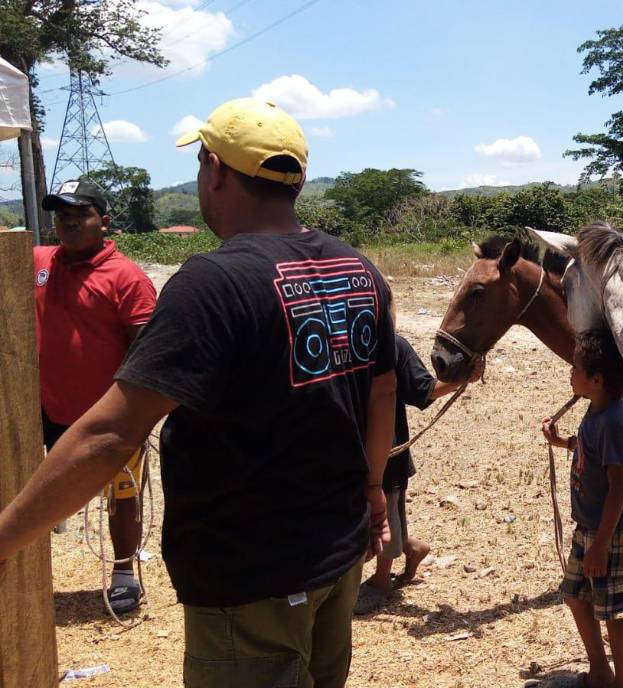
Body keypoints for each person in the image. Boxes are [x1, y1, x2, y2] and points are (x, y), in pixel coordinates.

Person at [0, 98, 397, 688]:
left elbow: (111, 434)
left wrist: (4, 539)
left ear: (213, 168)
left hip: (250, 573)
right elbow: (381, 391)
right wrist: (372, 492)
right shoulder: (358, 268)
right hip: (336, 552)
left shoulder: (213, 283)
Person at [35, 178, 157, 614]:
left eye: (80, 214)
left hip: (108, 414)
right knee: (39, 494)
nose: (68, 222)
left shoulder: (126, 278)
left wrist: (137, 413)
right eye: (61, 214)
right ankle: (26, 578)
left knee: (122, 495)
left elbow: (148, 349)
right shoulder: (37, 261)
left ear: (103, 222)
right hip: (46, 407)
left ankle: (124, 572)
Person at [354, 334, 483, 614]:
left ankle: (380, 582)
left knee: (387, 516)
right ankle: (412, 549)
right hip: (351, 450)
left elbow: (424, 388)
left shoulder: (393, 346)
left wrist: (462, 378)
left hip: (388, 452)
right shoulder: (340, 345)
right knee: (373, 520)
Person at [541, 329, 623, 688]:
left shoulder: (615, 421)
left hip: (608, 534)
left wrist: (600, 543)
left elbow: (617, 486)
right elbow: (590, 451)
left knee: (613, 612)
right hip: (589, 529)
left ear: (596, 380)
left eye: (576, 368)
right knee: (574, 595)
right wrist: (561, 442)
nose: (571, 373)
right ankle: (600, 670)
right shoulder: (596, 410)